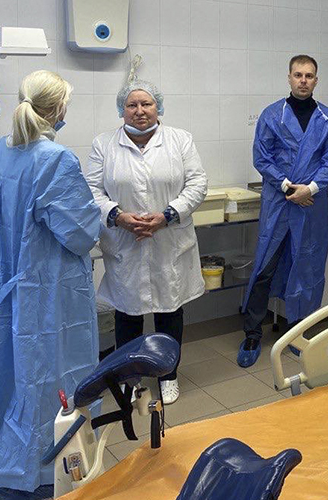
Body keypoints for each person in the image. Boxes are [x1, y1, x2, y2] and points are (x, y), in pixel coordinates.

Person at [0, 70, 101, 499]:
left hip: (12, 284)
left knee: (13, 376)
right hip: (50, 293)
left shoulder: (1, 152)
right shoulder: (55, 159)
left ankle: (7, 463)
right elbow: (80, 233)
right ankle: (43, 474)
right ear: (58, 108)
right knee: (51, 379)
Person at [85, 78, 207, 405]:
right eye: (132, 105)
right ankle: (130, 379)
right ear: (122, 109)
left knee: (170, 311)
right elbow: (92, 190)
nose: (140, 110)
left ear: (158, 107)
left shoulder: (180, 140)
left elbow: (197, 184)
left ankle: (168, 375)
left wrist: (167, 215)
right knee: (128, 313)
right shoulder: (104, 145)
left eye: (146, 104)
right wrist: (118, 216)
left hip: (169, 239)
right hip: (125, 241)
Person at [237, 54, 328, 368]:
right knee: (265, 268)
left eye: (309, 76)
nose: (303, 81)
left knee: (306, 268)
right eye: (298, 75)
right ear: (289, 77)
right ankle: (252, 334)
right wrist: (288, 188)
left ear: (316, 80)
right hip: (278, 203)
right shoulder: (272, 115)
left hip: (311, 205)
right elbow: (262, 158)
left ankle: (298, 332)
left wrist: (310, 189)